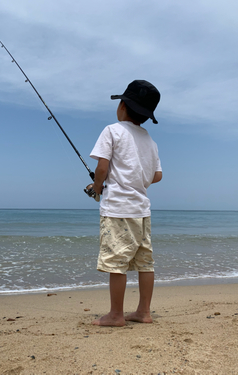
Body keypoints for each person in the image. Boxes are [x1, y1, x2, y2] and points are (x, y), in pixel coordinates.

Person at [89, 80, 163, 327]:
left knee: (117, 262)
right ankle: (144, 311)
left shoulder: (112, 130)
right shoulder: (150, 142)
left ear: (122, 106)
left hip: (118, 209)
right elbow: (157, 175)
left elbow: (101, 167)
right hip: (142, 211)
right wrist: (137, 183)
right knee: (145, 262)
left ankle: (116, 315)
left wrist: (98, 187)